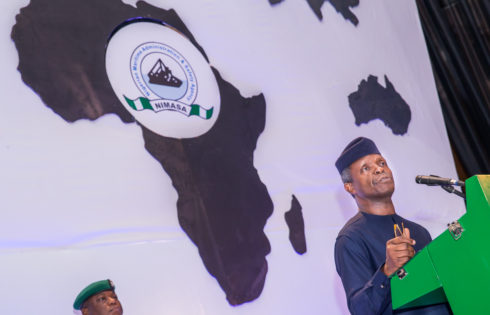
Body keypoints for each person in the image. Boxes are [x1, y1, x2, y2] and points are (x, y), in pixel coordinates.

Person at [334, 137, 451, 315]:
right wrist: (387, 270)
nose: (379, 169)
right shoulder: (351, 239)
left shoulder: (419, 232)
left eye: (382, 163)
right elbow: (361, 310)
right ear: (350, 187)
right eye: (366, 168)